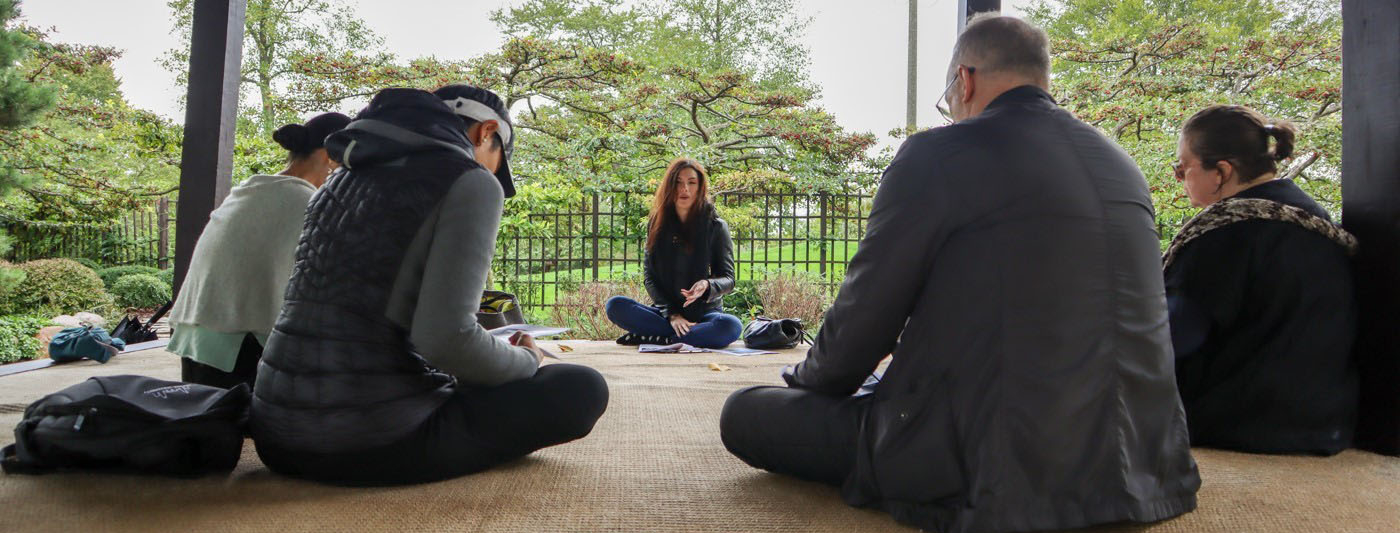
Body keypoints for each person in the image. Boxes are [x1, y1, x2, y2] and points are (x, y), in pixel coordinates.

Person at [719, 14, 1200, 533]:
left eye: (947, 99)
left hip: (991, 463)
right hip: (1146, 463)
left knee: (745, 412)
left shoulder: (939, 154)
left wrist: (809, 381)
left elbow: (866, 316)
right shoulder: (1119, 161)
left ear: (963, 80)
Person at [249, 85, 608, 486]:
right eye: (497, 159)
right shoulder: (469, 181)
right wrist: (527, 360)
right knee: (581, 387)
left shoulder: (338, 181)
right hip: (366, 443)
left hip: (275, 435)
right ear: (486, 132)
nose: (492, 173)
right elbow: (446, 340)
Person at [1165, 105, 1358, 455]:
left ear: (1222, 171)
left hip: (1245, 421)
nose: (1178, 178)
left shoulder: (1224, 234)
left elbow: (1173, 339)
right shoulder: (1315, 220)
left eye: (1182, 168)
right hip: (1324, 420)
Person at [169, 112, 351, 391]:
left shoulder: (249, 190)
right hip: (237, 346)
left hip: (196, 336)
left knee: (210, 427)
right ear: (330, 156)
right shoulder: (307, 202)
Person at [604, 158, 741, 348]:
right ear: (670, 186)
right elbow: (649, 278)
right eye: (678, 182)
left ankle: (659, 338)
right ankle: (681, 337)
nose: (685, 188)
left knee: (730, 326)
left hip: (704, 315)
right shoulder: (656, 223)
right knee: (615, 305)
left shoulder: (716, 226)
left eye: (691, 182)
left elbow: (729, 279)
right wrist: (672, 315)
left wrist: (707, 285)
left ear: (700, 187)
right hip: (665, 314)